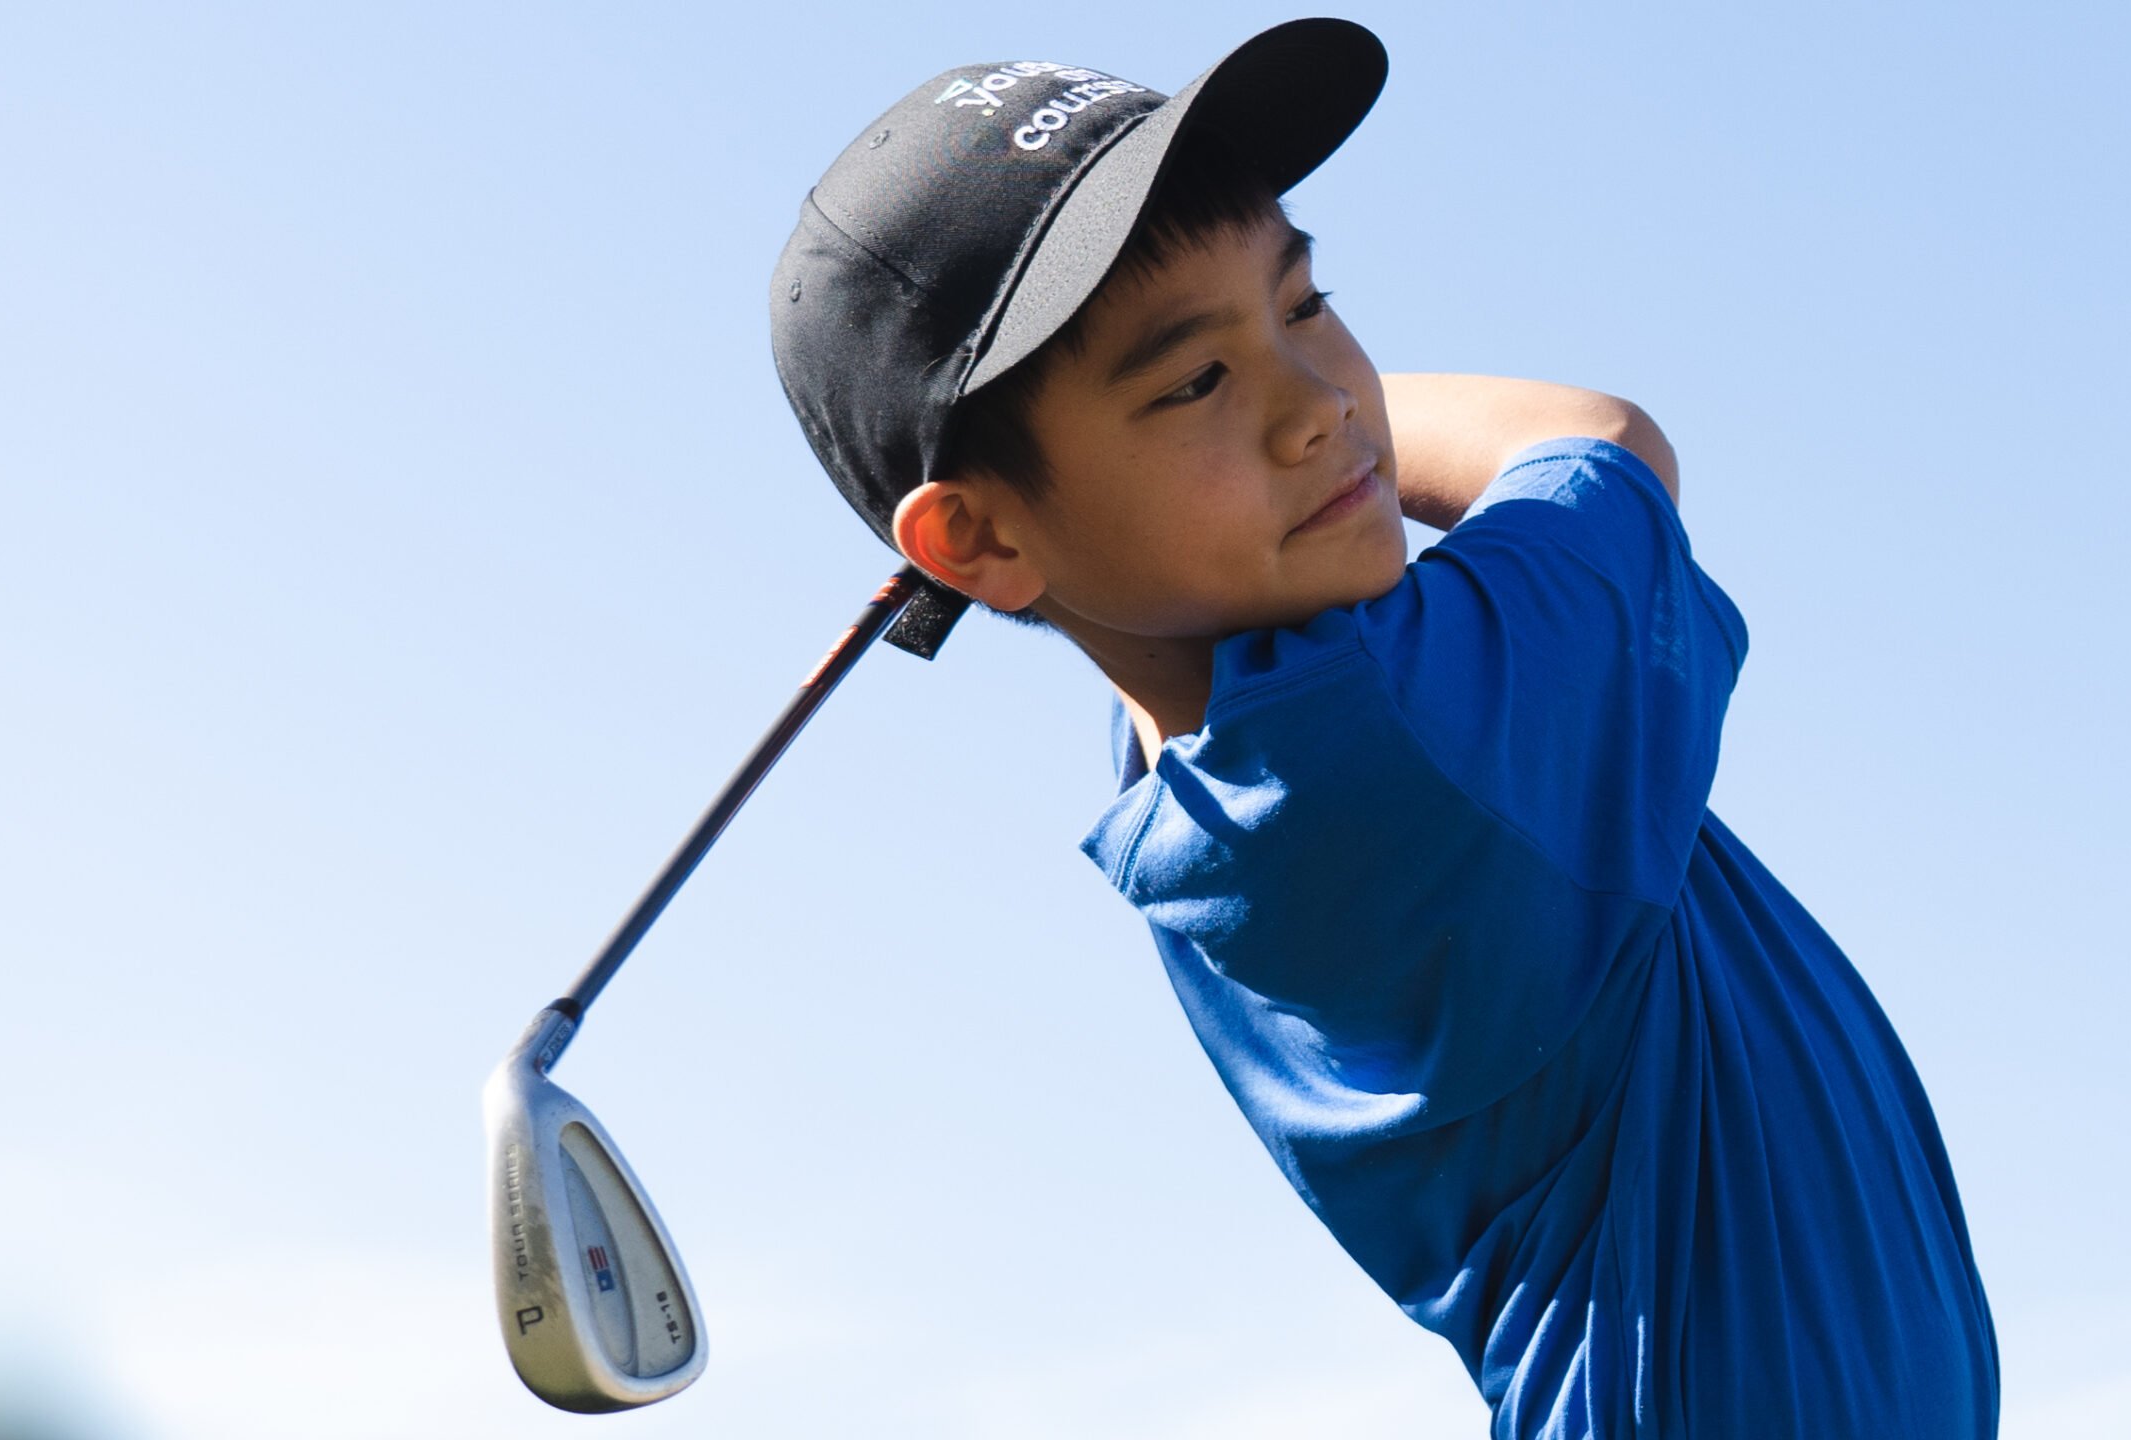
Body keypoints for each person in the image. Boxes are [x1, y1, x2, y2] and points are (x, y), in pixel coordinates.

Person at [769, 19, 1998, 1439]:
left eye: (1303, 304)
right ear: (977, 537)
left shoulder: (1192, 754)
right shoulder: (1410, 734)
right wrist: (1345, 424)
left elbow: (1151, 603)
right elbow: (1599, 441)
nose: (1316, 405)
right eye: (1194, 381)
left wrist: (1032, 535)